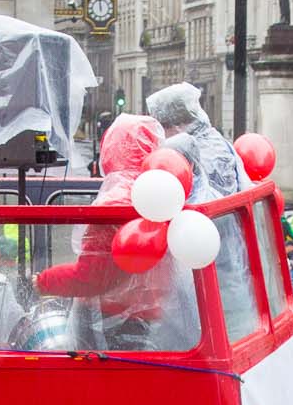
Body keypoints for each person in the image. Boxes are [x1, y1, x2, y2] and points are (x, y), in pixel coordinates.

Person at [37, 114, 201, 351]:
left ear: (110, 150)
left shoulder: (114, 202)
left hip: (105, 317)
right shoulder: (161, 193)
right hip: (149, 314)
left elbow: (92, 277)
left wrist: (44, 281)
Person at [145, 83, 249, 201]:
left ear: (177, 126)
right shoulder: (217, 140)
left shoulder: (188, 153)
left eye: (162, 127)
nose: (161, 135)